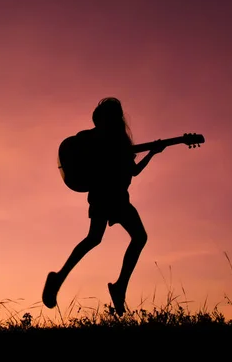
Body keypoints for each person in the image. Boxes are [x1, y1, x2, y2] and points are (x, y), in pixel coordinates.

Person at [42, 97, 166, 316]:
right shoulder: (91, 137)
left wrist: (152, 153)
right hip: (103, 194)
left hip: (118, 196)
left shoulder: (121, 142)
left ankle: (114, 286)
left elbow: (133, 171)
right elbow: (75, 151)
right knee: (101, 238)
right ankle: (65, 278)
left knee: (124, 238)